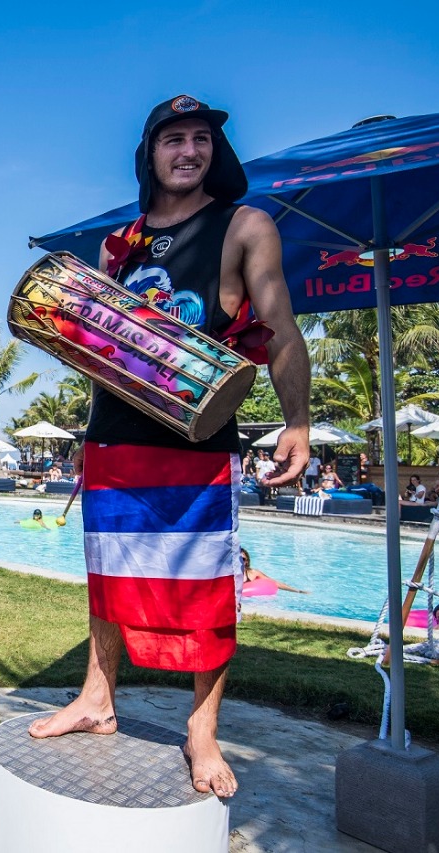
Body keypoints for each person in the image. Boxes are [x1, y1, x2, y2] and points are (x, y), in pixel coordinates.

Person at [29, 95, 311, 800]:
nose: (189, 151)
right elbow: (98, 351)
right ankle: (97, 697)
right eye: (174, 139)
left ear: (216, 150)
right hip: (114, 437)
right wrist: (78, 396)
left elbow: (279, 326)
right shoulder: (116, 245)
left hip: (198, 439)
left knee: (207, 587)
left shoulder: (245, 226)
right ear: (149, 154)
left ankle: (201, 729)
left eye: (201, 138)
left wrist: (298, 421)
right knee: (108, 577)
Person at [240, 548, 307, 594]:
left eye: (243, 559)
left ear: (247, 561)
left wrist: (298, 591)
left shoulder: (253, 573)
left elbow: (274, 583)